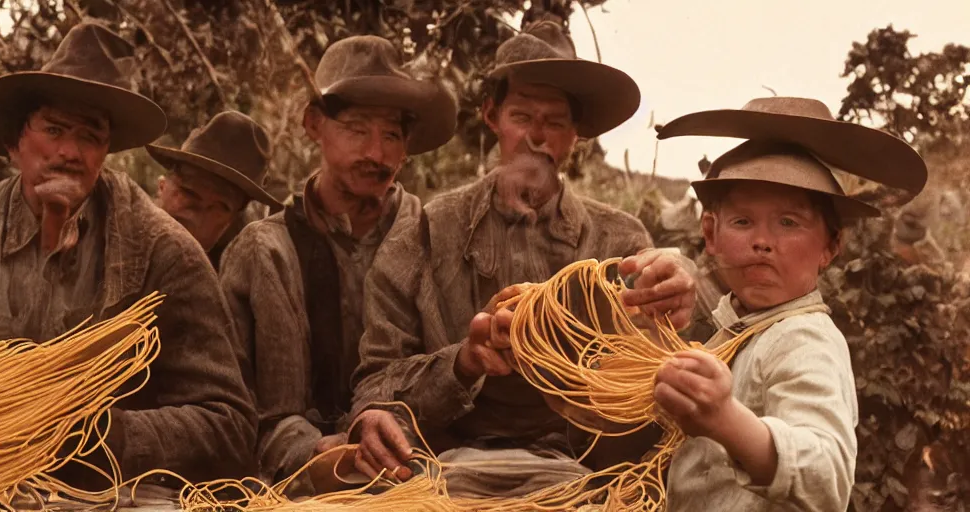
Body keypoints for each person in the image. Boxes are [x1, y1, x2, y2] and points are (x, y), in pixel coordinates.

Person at [0, 22, 257, 499]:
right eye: (54, 130)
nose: (70, 152)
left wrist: (94, 434)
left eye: (90, 136)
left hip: (104, 495)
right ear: (14, 142)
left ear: (106, 150)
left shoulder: (162, 249)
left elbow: (228, 424)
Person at [347, 21, 700, 496]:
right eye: (522, 117)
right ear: (492, 116)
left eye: (555, 122)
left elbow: (674, 367)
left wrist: (685, 294)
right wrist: (464, 362)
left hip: (584, 477)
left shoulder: (620, 241)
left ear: (577, 135)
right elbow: (374, 387)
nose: (538, 138)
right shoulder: (428, 234)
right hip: (440, 478)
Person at [654, 96, 926, 510]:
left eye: (789, 223)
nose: (762, 241)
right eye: (743, 222)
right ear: (711, 234)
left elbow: (828, 477)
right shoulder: (738, 326)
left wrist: (726, 419)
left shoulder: (804, 340)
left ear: (830, 246)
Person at [216, 35, 457, 492]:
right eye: (356, 128)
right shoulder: (265, 252)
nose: (376, 153)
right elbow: (237, 404)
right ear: (314, 124)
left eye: (391, 135)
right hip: (297, 486)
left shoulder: (438, 242)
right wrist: (313, 453)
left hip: (425, 477)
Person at [149, 110, 281, 268]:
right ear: (162, 187)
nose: (196, 216)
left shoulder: (233, 282)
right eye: (189, 192)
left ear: (228, 223)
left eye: (218, 207)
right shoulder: (119, 233)